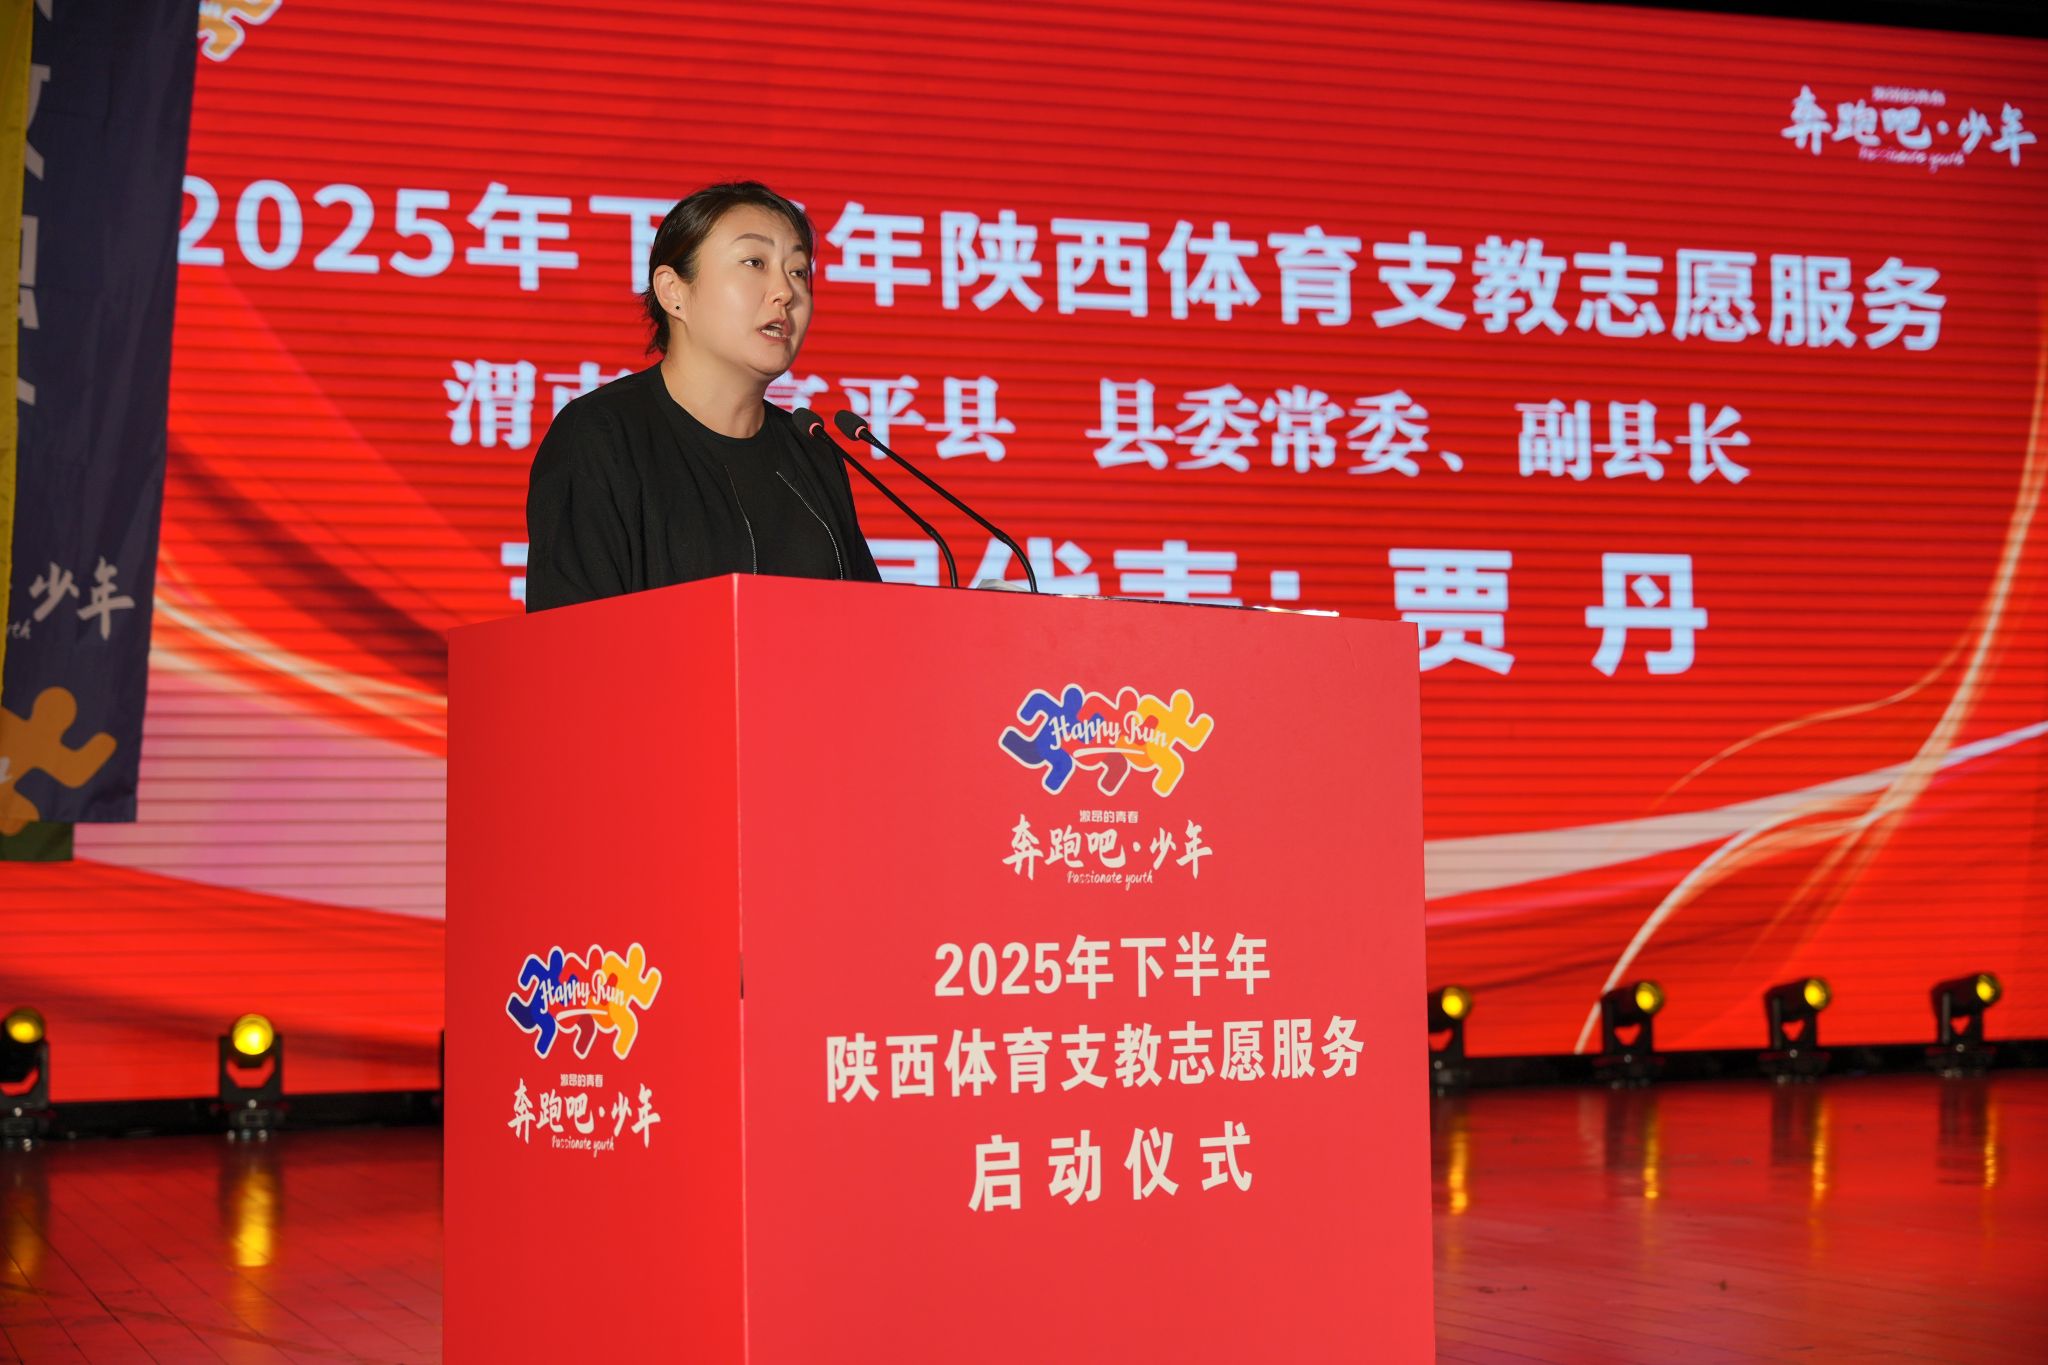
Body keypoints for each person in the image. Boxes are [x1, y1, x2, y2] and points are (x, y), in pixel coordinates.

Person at [524, 181, 880, 611]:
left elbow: (867, 622)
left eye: (798, 271)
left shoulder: (812, 453)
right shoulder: (603, 435)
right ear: (673, 291)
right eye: (754, 262)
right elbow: (569, 631)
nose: (786, 292)